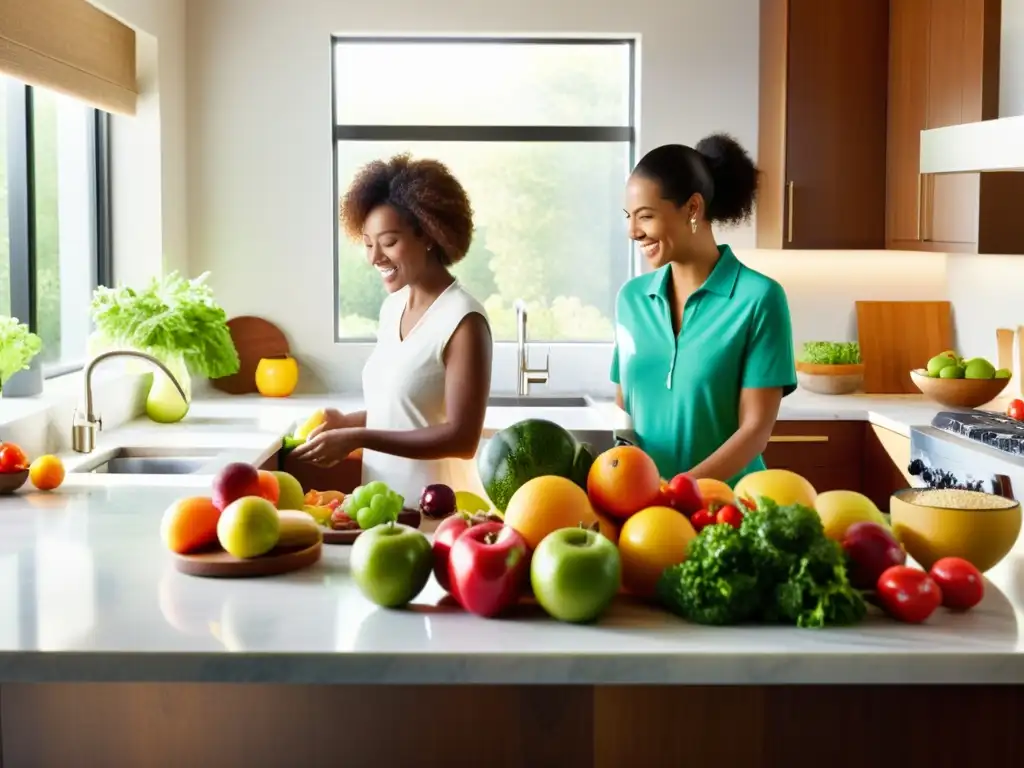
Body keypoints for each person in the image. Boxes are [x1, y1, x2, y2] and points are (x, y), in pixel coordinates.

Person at [292, 154, 493, 521]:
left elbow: (462, 438)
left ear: (429, 234)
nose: (374, 258)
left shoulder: (464, 320)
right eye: (368, 243)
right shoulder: (393, 308)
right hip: (381, 505)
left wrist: (359, 438)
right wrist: (348, 423)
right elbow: (405, 409)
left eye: (388, 241)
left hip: (438, 514)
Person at [612, 133, 796, 487]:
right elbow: (625, 409)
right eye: (628, 217)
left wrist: (677, 491)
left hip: (727, 507)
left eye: (646, 216)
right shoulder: (631, 300)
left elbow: (755, 430)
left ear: (693, 208)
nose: (633, 232)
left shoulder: (759, 299)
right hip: (645, 513)